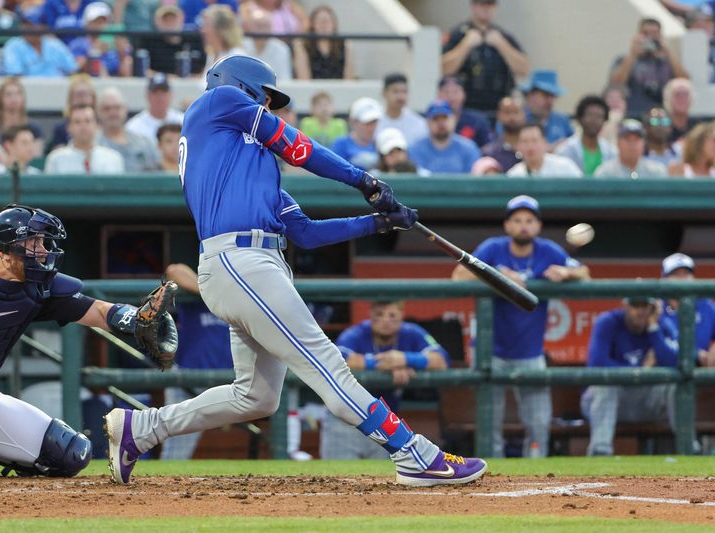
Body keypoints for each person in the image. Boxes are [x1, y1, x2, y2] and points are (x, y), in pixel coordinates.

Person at [104, 55, 487, 487]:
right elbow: (298, 145)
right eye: (265, 97)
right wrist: (366, 182)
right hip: (240, 260)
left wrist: (377, 222)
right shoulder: (217, 101)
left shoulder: (252, 170)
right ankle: (415, 454)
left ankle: (144, 428)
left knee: (255, 397)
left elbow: (304, 233)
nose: (269, 107)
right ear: (242, 85)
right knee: (329, 368)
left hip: (251, 264)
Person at [0, 204, 176, 480]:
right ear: (4, 252)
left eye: (42, 242)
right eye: (32, 242)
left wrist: (136, 320)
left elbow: (98, 310)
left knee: (69, 453)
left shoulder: (37, 288)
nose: (42, 251)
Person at [452, 195, 590, 457]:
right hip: (490, 350)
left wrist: (567, 272)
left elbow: (584, 273)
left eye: (529, 220)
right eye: (517, 220)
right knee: (489, 422)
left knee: (538, 424)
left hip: (530, 351)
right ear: (507, 225)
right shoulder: (493, 248)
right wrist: (497, 275)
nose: (523, 226)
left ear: (537, 226)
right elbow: (457, 275)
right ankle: (491, 471)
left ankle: (534, 473)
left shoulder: (549, 250)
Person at [320, 301, 450, 459]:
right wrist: (380, 363)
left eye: (392, 315)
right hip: (346, 420)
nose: (386, 320)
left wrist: (406, 359)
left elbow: (442, 360)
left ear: (402, 315)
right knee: (336, 478)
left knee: (383, 480)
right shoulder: (356, 333)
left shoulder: (412, 332)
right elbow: (337, 359)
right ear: (371, 315)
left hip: (385, 422)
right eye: (379, 315)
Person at [581, 297, 678, 456]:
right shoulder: (608, 322)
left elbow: (676, 362)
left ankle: (688, 448)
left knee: (676, 385)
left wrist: (653, 329)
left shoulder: (660, 325)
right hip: (607, 401)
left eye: (644, 306)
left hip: (646, 402)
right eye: (635, 305)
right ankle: (600, 451)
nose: (640, 311)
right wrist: (639, 370)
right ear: (625, 305)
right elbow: (597, 362)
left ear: (652, 308)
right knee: (605, 385)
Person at [159, 263, 233, 460]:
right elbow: (174, 270)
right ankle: (166, 484)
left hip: (231, 383)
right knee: (176, 449)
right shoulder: (197, 289)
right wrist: (209, 292)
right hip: (189, 379)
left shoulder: (239, 295)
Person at [441, 0, 528, 113]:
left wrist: (502, 45)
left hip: (499, 109)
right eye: (482, 3)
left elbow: (524, 70)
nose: (486, 8)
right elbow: (444, 69)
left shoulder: (503, 36)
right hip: (466, 108)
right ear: (473, 6)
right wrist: (465, 45)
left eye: (490, 4)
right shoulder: (458, 34)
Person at [609, 17, 689, 118]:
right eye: (645, 33)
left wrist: (668, 52)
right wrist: (633, 53)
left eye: (654, 34)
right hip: (633, 114)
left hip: (662, 117)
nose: (650, 38)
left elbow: (685, 81)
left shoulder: (667, 62)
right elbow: (616, 85)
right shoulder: (624, 60)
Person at [660, 253, 715, 368]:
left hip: (700, 371)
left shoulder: (706, 305)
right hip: (666, 370)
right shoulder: (656, 307)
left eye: (686, 273)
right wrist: (695, 354)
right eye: (675, 274)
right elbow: (658, 345)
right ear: (664, 279)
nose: (682, 278)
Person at [1, 4, 78, 78]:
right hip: (27, 89)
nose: (28, 28)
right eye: (25, 24)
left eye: (32, 25)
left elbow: (73, 70)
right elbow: (15, 77)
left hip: (56, 88)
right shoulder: (13, 46)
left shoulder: (54, 44)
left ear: (43, 27)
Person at [45, 104, 125, 174]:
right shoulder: (56, 159)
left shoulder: (113, 159)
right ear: (69, 127)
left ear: (97, 125)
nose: (83, 126)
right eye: (77, 122)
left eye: (88, 121)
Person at [97, 87, 161, 173]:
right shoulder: (93, 144)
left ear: (125, 109)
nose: (113, 113)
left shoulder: (144, 142)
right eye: (107, 109)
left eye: (117, 107)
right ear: (98, 112)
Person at [408, 100, 481, 174]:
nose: (441, 123)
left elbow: (473, 181)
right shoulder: (415, 149)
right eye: (436, 119)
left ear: (454, 120)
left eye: (445, 118)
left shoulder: (469, 148)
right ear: (427, 122)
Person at [555, 95, 617, 175]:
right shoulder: (565, 151)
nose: (594, 120)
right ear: (580, 119)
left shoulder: (611, 152)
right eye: (590, 115)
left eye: (599, 116)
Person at [141, 2, 206, 78]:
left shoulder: (194, 39)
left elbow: (205, 66)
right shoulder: (150, 42)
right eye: (165, 19)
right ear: (157, 21)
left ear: (181, 18)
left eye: (173, 18)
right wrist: (172, 78)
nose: (170, 23)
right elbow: (144, 70)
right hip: (161, 87)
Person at [0, 77, 45, 158]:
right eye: (9, 94)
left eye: (18, 94)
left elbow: (36, 157)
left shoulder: (34, 128)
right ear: (0, 99)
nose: (14, 98)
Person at [69, 2, 132, 77]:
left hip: (116, 80)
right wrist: (95, 52)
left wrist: (121, 53)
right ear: (86, 23)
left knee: (128, 61)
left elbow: (122, 67)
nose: (100, 25)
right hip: (90, 81)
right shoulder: (78, 44)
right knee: (99, 63)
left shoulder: (115, 42)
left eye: (103, 21)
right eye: (96, 21)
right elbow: (74, 69)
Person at [292, 5, 354, 80]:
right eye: (319, 21)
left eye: (327, 21)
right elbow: (303, 79)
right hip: (312, 91)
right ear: (312, 24)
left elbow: (349, 79)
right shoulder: (302, 45)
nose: (323, 25)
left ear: (334, 24)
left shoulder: (345, 44)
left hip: (339, 90)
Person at [595, 119, 667, 179]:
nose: (632, 144)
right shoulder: (605, 173)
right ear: (618, 143)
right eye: (627, 139)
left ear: (644, 143)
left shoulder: (656, 171)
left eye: (636, 139)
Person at [125, 73, 185, 142]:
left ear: (171, 95)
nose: (160, 97)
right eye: (155, 93)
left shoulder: (182, 121)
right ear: (148, 96)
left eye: (164, 92)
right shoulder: (134, 127)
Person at [506, 122, 581, 178]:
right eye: (525, 141)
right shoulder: (514, 174)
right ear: (518, 146)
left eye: (534, 140)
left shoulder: (565, 167)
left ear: (544, 143)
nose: (530, 146)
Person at [520, 70, 574, 146]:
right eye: (545, 95)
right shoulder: (516, 118)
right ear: (530, 95)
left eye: (553, 96)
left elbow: (574, 144)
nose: (550, 101)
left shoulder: (562, 119)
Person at [437, 76, 491, 149]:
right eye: (446, 92)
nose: (451, 96)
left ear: (464, 94)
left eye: (455, 91)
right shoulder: (429, 120)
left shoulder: (478, 120)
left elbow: (487, 148)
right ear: (438, 94)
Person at [48, 74, 97, 152]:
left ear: (93, 97)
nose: (82, 99)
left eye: (85, 94)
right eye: (78, 95)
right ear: (70, 98)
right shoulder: (61, 128)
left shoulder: (102, 123)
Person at [376, 73, 428, 146]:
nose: (400, 97)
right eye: (395, 92)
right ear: (384, 94)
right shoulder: (375, 122)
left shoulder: (418, 123)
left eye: (404, 92)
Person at [331, 97, 382, 171]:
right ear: (353, 122)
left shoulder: (382, 143)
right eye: (367, 123)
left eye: (374, 122)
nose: (372, 127)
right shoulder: (341, 144)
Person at [242, 7, 292, 80]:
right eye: (258, 25)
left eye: (265, 25)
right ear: (249, 26)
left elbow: (285, 79)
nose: (262, 30)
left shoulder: (281, 48)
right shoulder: (240, 45)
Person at [481, 96, 524, 172]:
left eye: (516, 112)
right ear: (499, 115)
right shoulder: (489, 153)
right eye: (507, 112)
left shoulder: (532, 149)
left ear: (523, 114)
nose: (512, 117)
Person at [201, 4, 246, 72]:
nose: (203, 30)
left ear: (220, 30)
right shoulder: (212, 54)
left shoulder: (236, 57)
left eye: (207, 25)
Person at [664, 78, 698, 144]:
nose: (682, 99)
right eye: (677, 94)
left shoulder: (698, 128)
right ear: (668, 99)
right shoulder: (661, 127)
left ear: (691, 99)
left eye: (685, 94)